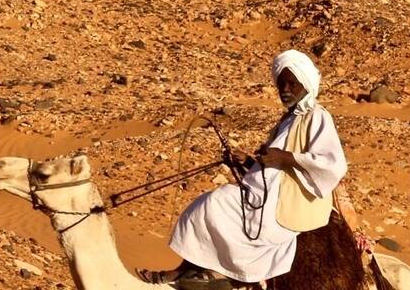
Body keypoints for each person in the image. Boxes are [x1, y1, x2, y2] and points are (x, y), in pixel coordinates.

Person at [146, 49, 349, 286]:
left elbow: (333, 164)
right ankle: (192, 268)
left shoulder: (316, 116)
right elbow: (272, 169)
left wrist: (286, 158)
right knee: (210, 204)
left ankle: (207, 271)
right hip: (266, 194)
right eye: (281, 84)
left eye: (292, 84)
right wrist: (248, 162)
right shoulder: (288, 119)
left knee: (216, 202)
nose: (285, 90)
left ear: (305, 83)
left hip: (286, 204)